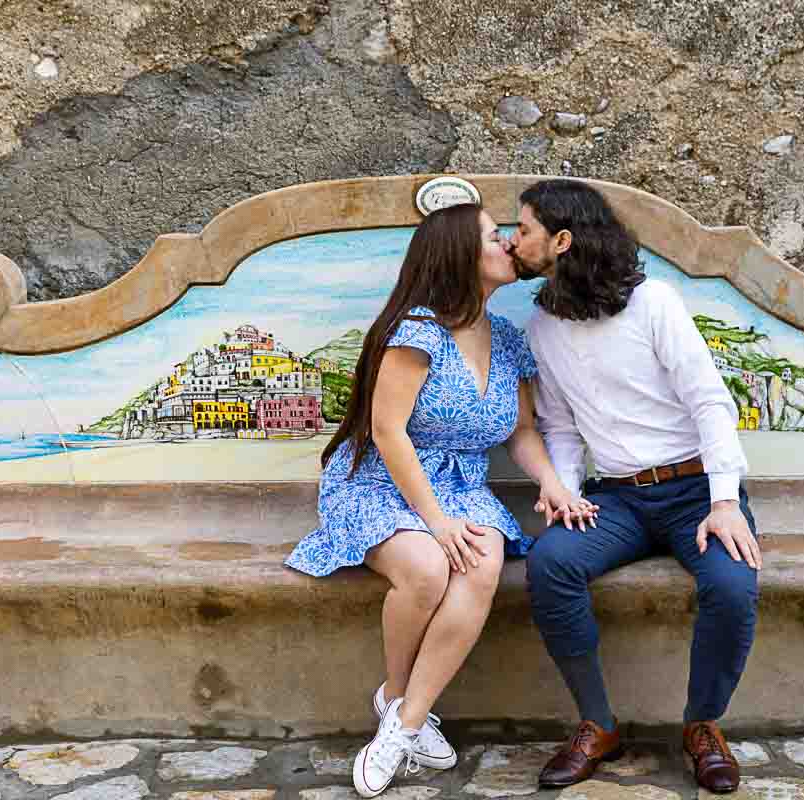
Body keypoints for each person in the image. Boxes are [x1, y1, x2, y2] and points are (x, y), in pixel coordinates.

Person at [285, 202, 597, 799]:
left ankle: (401, 722)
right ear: (458, 253)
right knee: (429, 566)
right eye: (492, 237)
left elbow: (523, 432)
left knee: (479, 560)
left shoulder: (506, 340)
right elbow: (387, 432)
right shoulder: (417, 332)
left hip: (461, 488)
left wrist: (553, 485)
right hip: (381, 482)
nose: (507, 244)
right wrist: (436, 523)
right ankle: (399, 702)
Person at [505, 179, 762, 795]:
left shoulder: (655, 304)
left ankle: (702, 725)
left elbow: (710, 404)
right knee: (551, 564)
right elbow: (560, 426)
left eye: (523, 230)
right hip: (614, 498)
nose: (513, 241)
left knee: (732, 585)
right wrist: (564, 493)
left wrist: (725, 502)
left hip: (696, 490)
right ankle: (598, 724)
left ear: (561, 240)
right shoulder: (543, 324)